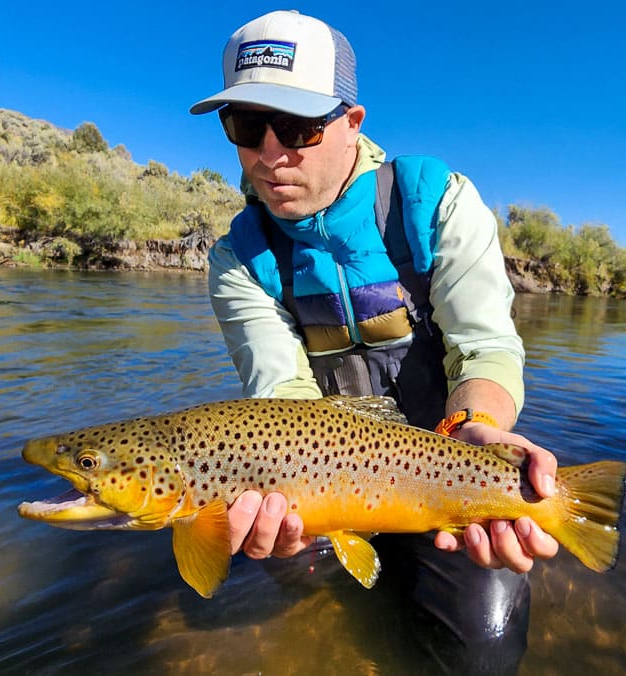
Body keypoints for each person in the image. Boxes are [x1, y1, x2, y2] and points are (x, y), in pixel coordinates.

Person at [190, 10, 560, 673]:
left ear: (351, 123)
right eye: (247, 126)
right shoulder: (237, 260)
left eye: (299, 127)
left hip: (444, 458)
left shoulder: (435, 202)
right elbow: (283, 397)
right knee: (305, 597)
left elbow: (485, 350)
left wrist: (477, 427)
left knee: (483, 649)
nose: (272, 153)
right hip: (317, 476)